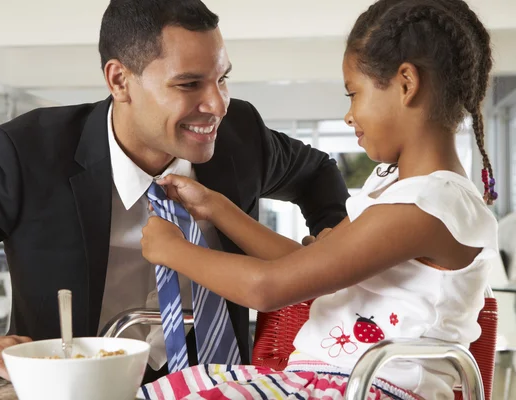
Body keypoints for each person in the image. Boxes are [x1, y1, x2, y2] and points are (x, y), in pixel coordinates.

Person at [0, 0, 349, 383]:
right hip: (79, 386)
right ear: (120, 80)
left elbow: (316, 173)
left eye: (222, 79)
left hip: (220, 383)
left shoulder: (241, 136)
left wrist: (331, 249)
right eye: (189, 84)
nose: (217, 104)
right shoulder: (27, 155)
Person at [138, 0, 499, 398]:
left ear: (406, 84)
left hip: (368, 388)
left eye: (353, 93)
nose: (349, 115)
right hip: (334, 382)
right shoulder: (403, 194)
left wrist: (171, 250)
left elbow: (268, 288)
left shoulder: (427, 205)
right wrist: (218, 209)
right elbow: (302, 268)